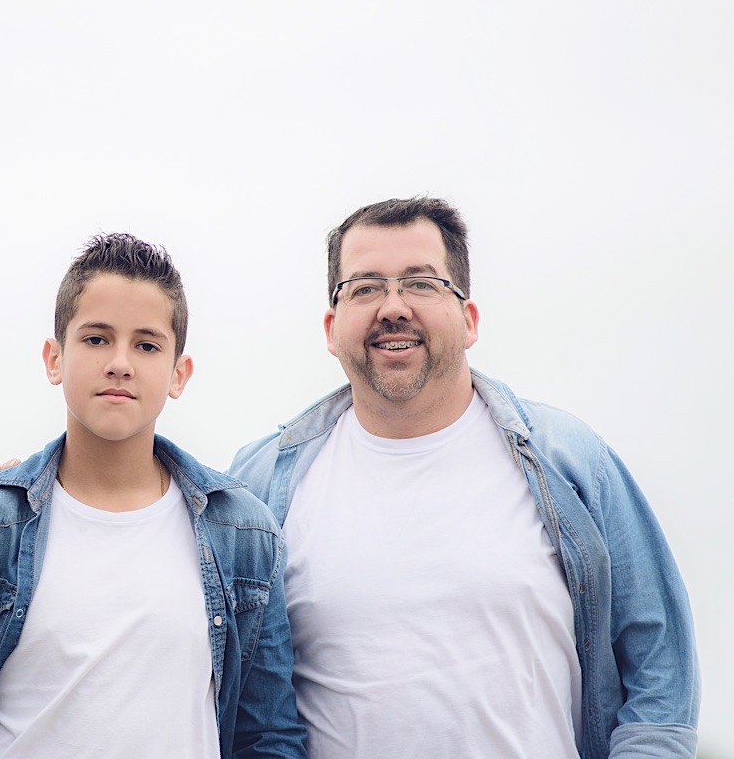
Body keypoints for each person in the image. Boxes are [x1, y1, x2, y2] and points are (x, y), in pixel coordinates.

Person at [229, 196, 699, 759]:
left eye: (422, 283)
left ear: (469, 320)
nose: (393, 307)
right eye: (365, 287)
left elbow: (659, 682)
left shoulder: (571, 461)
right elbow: (241, 709)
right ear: (332, 328)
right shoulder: (258, 489)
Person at [0, 233, 305, 758]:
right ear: (54, 359)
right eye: (96, 339)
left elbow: (269, 738)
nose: (120, 363)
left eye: (147, 345)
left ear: (179, 374)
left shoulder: (246, 536)